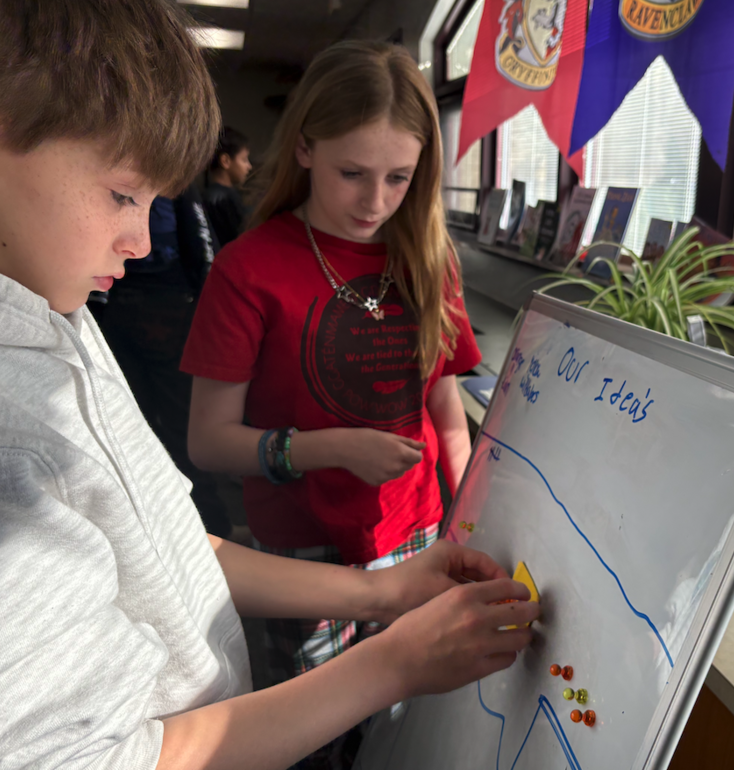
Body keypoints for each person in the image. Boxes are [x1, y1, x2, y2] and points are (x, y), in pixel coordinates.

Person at [0, 3, 539, 769]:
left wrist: (390, 593)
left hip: (391, 552)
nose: (142, 241)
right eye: (124, 194)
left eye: (399, 177)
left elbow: (169, 549)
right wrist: (392, 660)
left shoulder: (55, 306)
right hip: (295, 565)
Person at [180, 41, 482, 768]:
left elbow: (447, 411)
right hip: (301, 551)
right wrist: (329, 447)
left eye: (399, 178)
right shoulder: (250, 268)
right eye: (353, 174)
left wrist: (470, 516)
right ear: (307, 149)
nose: (375, 203)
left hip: (418, 536)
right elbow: (208, 441)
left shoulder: (427, 259)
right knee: (313, 735)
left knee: (407, 732)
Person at [89, 187, 249, 543]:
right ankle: (165, 532)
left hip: (174, 311)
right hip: (117, 312)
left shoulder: (181, 193)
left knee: (181, 425)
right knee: (134, 425)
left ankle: (211, 529)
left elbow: (204, 251)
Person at [204, 126, 252, 247]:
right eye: (244, 159)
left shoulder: (208, 196)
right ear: (225, 161)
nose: (249, 166)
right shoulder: (223, 199)